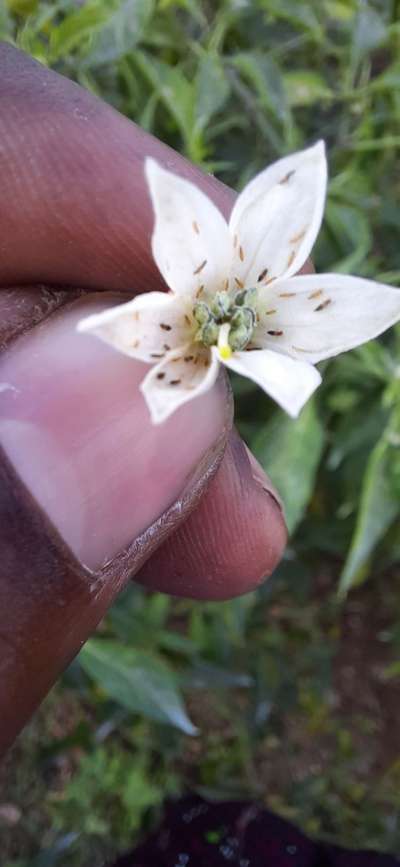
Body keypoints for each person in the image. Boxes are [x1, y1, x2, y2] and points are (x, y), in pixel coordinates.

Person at [0, 44, 397, 867]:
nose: (231, 320)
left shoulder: (270, 348)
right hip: (163, 335)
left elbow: (287, 368)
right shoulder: (187, 280)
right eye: (228, 318)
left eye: (236, 321)